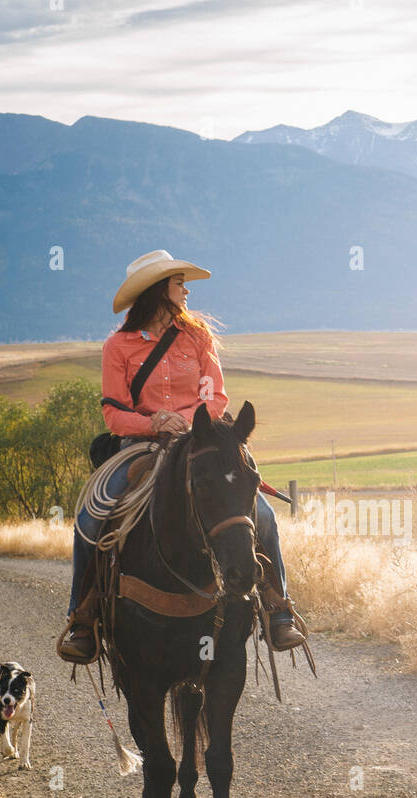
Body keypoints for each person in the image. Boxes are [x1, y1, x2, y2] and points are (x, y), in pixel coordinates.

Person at [58, 249, 305, 661]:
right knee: (91, 518)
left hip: (201, 441)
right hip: (142, 446)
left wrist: (189, 423)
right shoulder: (117, 347)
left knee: (262, 514)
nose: (186, 290)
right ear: (158, 291)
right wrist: (154, 423)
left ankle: (278, 610)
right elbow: (113, 412)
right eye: (178, 283)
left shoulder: (198, 337)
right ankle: (82, 618)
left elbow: (217, 396)